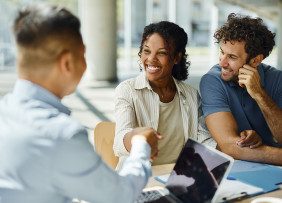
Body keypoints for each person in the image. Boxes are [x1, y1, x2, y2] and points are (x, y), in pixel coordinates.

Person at [0, 4, 162, 203]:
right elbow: (121, 196)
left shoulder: (5, 111)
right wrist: (140, 145)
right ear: (67, 63)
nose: (85, 64)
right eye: (83, 54)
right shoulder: (61, 135)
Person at [114, 21, 215, 170]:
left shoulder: (191, 95)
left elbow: (204, 142)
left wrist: (235, 144)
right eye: (146, 51)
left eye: (161, 53)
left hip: (181, 179)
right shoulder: (127, 90)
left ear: (176, 57)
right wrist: (137, 137)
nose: (151, 59)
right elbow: (119, 143)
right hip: (140, 179)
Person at [200, 13, 282, 165]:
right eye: (222, 52)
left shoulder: (277, 79)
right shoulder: (212, 81)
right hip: (240, 169)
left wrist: (259, 94)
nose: (222, 63)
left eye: (232, 57)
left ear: (256, 60)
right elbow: (229, 146)